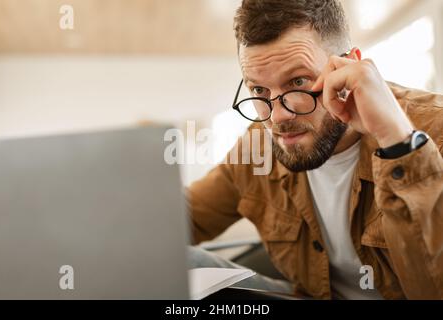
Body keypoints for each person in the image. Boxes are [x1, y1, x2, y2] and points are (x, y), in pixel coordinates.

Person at [187, 0, 443, 300]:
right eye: (259, 90)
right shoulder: (259, 144)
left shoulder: (434, 130)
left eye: (298, 81)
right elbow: (181, 219)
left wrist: (397, 142)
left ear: (350, 66)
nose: (278, 116)